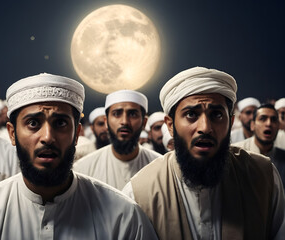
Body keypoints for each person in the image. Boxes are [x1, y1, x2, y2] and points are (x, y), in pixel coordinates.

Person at [0, 73, 158, 239]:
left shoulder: (123, 217)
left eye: (60, 123)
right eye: (33, 123)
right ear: (12, 133)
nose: (47, 137)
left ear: (76, 133)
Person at [123, 67, 285, 239]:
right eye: (191, 114)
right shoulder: (140, 192)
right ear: (170, 125)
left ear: (230, 122)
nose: (205, 128)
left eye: (216, 114)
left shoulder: (263, 176)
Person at [74, 90, 161, 190]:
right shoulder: (83, 169)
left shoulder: (160, 167)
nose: (124, 121)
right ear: (106, 122)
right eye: (116, 114)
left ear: (144, 123)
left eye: (132, 114)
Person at [233, 104, 285, 188]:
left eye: (273, 120)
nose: (269, 123)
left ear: (278, 126)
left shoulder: (282, 157)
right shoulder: (235, 154)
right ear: (252, 125)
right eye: (263, 119)